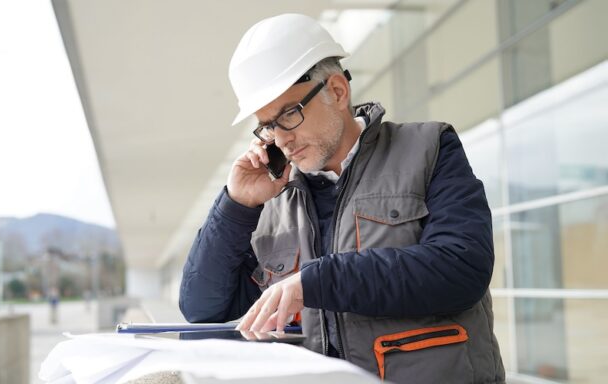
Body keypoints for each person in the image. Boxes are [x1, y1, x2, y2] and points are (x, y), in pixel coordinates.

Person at [179, 13, 505, 383]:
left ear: (337, 91)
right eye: (268, 125)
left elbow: (461, 270)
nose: (280, 138)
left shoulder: (428, 149)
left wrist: (315, 282)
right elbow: (202, 307)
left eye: (288, 114)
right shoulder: (272, 201)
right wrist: (237, 206)